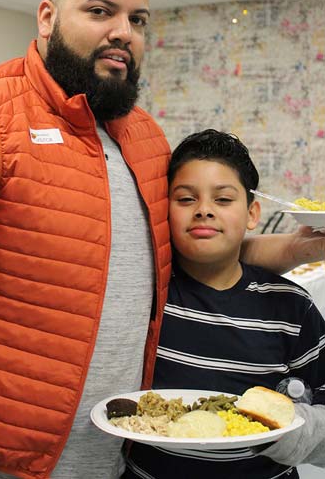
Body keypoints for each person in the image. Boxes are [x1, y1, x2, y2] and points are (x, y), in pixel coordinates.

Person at [0, 0, 324, 479]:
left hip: (118, 459)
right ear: (47, 17)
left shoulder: (143, 137)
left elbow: (172, 251)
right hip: (0, 463)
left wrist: (296, 250)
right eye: (100, 11)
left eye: (137, 18)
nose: (123, 32)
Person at [124, 129, 325, 479]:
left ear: (252, 213)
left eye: (223, 200)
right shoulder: (147, 295)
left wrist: (277, 428)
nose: (203, 210)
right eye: (186, 199)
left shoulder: (292, 308)